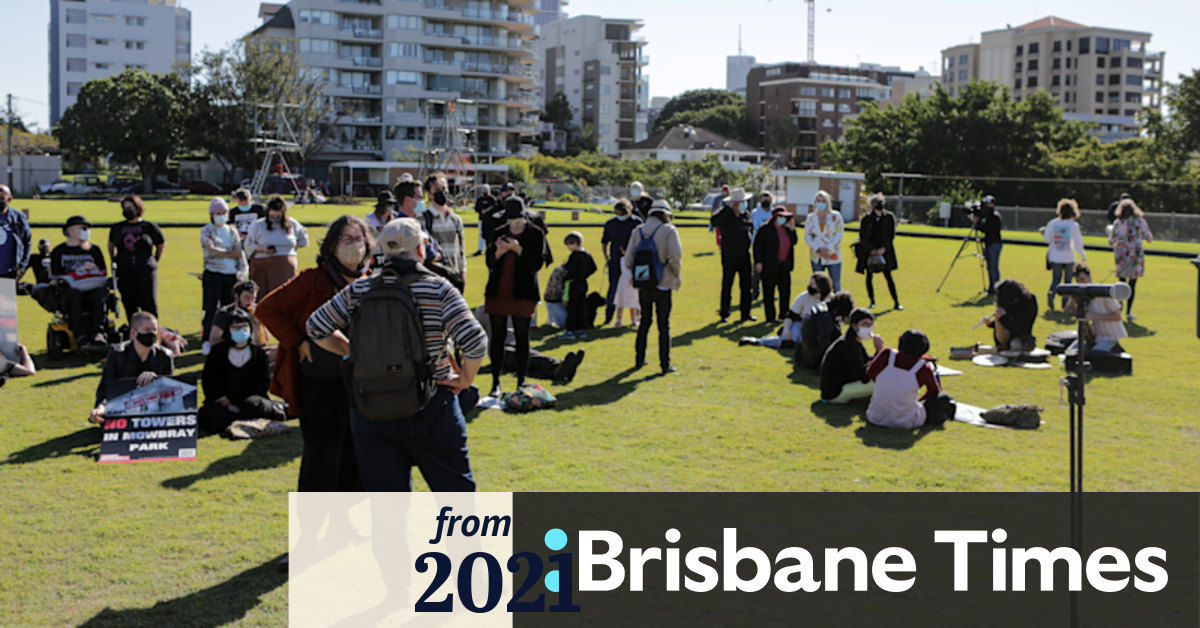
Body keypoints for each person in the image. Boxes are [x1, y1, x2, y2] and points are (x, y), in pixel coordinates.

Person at [306, 217, 488, 492]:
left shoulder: (360, 289)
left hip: (371, 407)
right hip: (431, 402)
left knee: (388, 510)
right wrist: (464, 379)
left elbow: (316, 327)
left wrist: (354, 353)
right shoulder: (438, 288)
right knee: (456, 499)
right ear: (420, 249)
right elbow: (475, 341)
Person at [258, 215, 371, 494]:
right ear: (333, 245)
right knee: (321, 456)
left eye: (359, 239)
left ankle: (344, 521)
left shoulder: (371, 282)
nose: (353, 245)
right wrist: (298, 342)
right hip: (320, 383)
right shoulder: (312, 280)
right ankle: (312, 526)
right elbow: (266, 309)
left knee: (356, 455)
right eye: (347, 239)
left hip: (360, 384)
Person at [483, 197, 545, 396]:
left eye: (516, 218)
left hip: (523, 292)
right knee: (498, 336)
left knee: (522, 336)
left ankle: (521, 381)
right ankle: (495, 382)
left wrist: (518, 249)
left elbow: (536, 264)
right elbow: (490, 262)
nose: (513, 223)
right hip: (499, 290)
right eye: (510, 219)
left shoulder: (536, 234)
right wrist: (500, 252)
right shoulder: (499, 232)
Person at [197, 308, 286, 434]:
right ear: (228, 330)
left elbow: (262, 384)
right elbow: (209, 380)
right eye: (236, 328)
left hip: (250, 400)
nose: (241, 331)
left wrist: (236, 400)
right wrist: (225, 400)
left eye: (244, 327)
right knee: (211, 414)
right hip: (222, 402)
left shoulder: (258, 354)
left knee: (255, 406)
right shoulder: (217, 352)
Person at [626, 199, 683, 374]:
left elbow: (629, 259)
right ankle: (664, 364)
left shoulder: (638, 230)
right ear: (665, 214)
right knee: (663, 325)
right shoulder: (668, 230)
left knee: (644, 322)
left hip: (644, 283)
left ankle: (639, 359)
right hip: (663, 283)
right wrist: (674, 274)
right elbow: (676, 255)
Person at [89, 312, 175, 424]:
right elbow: (106, 385)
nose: (152, 334)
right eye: (147, 330)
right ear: (133, 333)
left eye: (154, 330)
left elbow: (170, 392)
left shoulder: (165, 356)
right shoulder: (117, 353)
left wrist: (156, 379)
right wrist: (100, 408)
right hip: (121, 406)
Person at [866, 330, 955, 429]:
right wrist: (918, 401)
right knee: (943, 398)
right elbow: (934, 391)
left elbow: (870, 372)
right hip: (905, 422)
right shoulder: (922, 368)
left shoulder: (886, 354)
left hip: (875, 417)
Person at [51, 215, 109, 347]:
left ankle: (97, 333)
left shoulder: (94, 250)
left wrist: (93, 268)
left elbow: (103, 272)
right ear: (70, 231)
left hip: (92, 286)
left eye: (87, 228)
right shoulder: (59, 251)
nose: (86, 231)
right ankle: (80, 335)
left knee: (100, 294)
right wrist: (77, 271)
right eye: (82, 228)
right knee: (73, 295)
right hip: (71, 289)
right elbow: (56, 275)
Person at [739, 271, 833, 349]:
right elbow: (790, 315)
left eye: (812, 284)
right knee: (791, 340)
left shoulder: (831, 299)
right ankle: (759, 341)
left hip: (820, 326)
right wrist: (787, 329)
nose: (810, 287)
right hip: (801, 324)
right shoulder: (804, 297)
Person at [107, 194, 165, 319]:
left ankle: (151, 331)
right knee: (129, 304)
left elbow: (161, 244)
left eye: (130, 207)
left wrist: (154, 260)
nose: (127, 210)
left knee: (148, 303)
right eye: (125, 207)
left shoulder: (149, 227)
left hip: (145, 270)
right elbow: (111, 244)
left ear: (138, 207)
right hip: (124, 271)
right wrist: (114, 260)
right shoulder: (117, 227)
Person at [199, 198, 243, 355]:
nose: (221, 216)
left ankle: (227, 338)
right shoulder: (206, 231)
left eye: (224, 213)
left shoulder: (232, 231)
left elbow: (238, 252)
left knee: (229, 308)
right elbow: (211, 251)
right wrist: (228, 252)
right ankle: (207, 341)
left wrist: (221, 252)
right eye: (218, 213)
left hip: (230, 275)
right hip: (213, 274)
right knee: (211, 307)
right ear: (212, 214)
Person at [244, 195, 309, 297]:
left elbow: (303, 239)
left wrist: (291, 251)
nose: (275, 218)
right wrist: (263, 249)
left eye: (278, 216)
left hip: (286, 269)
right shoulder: (258, 225)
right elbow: (248, 244)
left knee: (285, 296)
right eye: (272, 215)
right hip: (263, 266)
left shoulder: (292, 224)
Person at [820, 308, 884, 403]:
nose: (869, 328)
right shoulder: (848, 345)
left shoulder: (852, 340)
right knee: (884, 382)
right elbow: (864, 376)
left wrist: (878, 354)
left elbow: (867, 360)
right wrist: (879, 352)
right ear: (854, 325)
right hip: (835, 394)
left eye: (871, 325)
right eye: (865, 324)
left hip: (841, 387)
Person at [710, 187, 755, 323]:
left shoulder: (745, 215)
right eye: (740, 202)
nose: (742, 204)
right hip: (729, 255)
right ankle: (724, 313)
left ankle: (745, 313)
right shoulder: (725, 214)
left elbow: (750, 229)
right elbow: (714, 221)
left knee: (746, 286)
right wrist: (727, 208)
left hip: (744, 254)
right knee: (727, 284)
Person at [1109, 198, 1153, 321]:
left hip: (1122, 255)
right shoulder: (1140, 222)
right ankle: (1128, 312)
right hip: (1135, 255)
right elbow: (1148, 237)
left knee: (1121, 281)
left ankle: (1119, 305)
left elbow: (1111, 241)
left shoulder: (1118, 223)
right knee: (1132, 283)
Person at [1067, 264, 1128, 352]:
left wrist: (1093, 316)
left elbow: (1117, 316)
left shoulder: (1102, 293)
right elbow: (1070, 310)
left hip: (1110, 337)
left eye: (1083, 279)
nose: (1080, 283)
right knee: (1070, 352)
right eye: (1077, 280)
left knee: (1095, 355)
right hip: (1096, 337)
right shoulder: (1082, 295)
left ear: (1089, 277)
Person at [600, 199, 643, 325]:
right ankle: (609, 317)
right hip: (615, 261)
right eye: (617, 213)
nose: (620, 216)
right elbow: (604, 242)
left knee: (635, 289)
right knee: (613, 288)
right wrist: (607, 258)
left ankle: (636, 317)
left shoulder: (637, 222)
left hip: (633, 261)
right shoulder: (610, 223)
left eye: (622, 214)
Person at [753, 206, 798, 322]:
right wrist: (758, 262)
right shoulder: (765, 229)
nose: (783, 219)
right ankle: (770, 317)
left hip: (784, 265)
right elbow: (757, 246)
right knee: (768, 292)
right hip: (769, 266)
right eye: (780, 217)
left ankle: (784, 315)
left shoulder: (788, 230)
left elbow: (794, 241)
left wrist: (793, 228)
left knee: (785, 292)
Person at [857, 193, 901, 310]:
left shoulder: (889, 217)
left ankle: (896, 301)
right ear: (871, 205)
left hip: (885, 251)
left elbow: (891, 235)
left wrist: (883, 249)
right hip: (870, 251)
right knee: (869, 276)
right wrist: (871, 250)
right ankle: (872, 301)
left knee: (888, 276)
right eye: (875, 203)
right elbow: (863, 237)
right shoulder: (866, 219)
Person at [422, 174, 467, 289]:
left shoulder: (456, 219)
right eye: (437, 189)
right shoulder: (423, 219)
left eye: (444, 189)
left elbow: (461, 251)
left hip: (455, 277)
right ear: (429, 194)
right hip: (435, 279)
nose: (442, 192)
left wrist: (463, 273)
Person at [1043, 198, 1087, 311]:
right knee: (1068, 282)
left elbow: (1047, 239)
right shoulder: (1073, 225)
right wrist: (1083, 256)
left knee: (1055, 279)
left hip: (1055, 256)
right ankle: (1064, 304)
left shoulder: (1052, 223)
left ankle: (1051, 293)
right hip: (1068, 256)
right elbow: (1078, 243)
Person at [797, 290, 855, 368]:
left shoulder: (823, 308)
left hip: (806, 353)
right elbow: (824, 343)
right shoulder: (825, 317)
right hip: (814, 358)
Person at [803, 190, 845, 291]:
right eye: (818, 200)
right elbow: (807, 236)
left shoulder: (836, 216)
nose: (821, 203)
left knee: (835, 284)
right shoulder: (811, 218)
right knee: (818, 285)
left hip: (833, 254)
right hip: (816, 255)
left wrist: (827, 249)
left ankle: (837, 305)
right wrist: (818, 249)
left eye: (823, 200)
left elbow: (839, 235)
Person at [981, 278, 1038, 351]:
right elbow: (1006, 322)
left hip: (1021, 334)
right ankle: (1003, 346)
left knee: (1015, 344)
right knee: (999, 311)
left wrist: (1003, 317)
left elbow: (1017, 326)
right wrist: (990, 323)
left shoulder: (1030, 302)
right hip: (1006, 335)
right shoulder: (1009, 304)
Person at [209, 280, 268, 349]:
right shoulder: (224, 313)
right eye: (247, 298)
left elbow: (263, 342)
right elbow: (213, 341)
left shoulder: (257, 312)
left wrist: (258, 325)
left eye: (253, 299)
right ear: (236, 296)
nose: (250, 302)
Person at [561, 231, 597, 339]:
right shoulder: (587, 254)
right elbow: (593, 268)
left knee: (571, 308)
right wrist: (585, 275)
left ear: (575, 243)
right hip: (583, 283)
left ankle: (570, 330)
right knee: (582, 307)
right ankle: (582, 330)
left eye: (569, 244)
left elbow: (570, 271)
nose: (568, 247)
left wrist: (566, 276)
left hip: (574, 284)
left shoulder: (574, 255)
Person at [972, 195, 1004, 294]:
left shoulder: (994, 216)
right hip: (988, 243)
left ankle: (996, 288)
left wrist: (978, 223)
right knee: (989, 266)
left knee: (993, 267)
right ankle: (991, 288)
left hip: (994, 244)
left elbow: (988, 229)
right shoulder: (987, 216)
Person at [0, 184, 32, 280]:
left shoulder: (19, 218)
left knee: (5, 295)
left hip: (9, 271)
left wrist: (22, 264)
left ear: (9, 199)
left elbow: (27, 242)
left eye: (2, 198)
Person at [543, 263, 568, 329]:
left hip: (555, 299)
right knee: (565, 324)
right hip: (554, 300)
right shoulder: (561, 271)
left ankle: (551, 317)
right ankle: (552, 315)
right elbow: (554, 291)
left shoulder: (561, 269)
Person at [473, 185, 496, 256]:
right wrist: (481, 210)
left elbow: (495, 208)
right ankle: (480, 249)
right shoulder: (479, 199)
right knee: (481, 234)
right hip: (481, 219)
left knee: (489, 234)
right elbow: (476, 208)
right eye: (483, 190)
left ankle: (488, 249)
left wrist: (487, 211)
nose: (485, 191)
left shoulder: (492, 199)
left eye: (486, 190)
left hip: (490, 220)